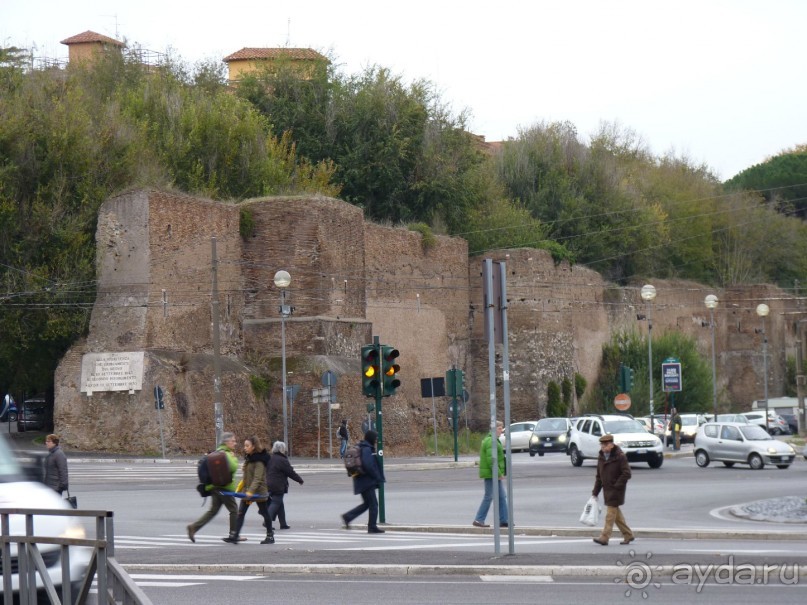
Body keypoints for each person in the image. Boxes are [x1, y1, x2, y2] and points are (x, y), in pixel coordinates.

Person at [187, 432, 239, 544]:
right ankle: (234, 534)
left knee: (213, 511)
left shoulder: (218, 451)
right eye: (233, 441)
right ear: (226, 442)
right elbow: (233, 467)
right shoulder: (227, 454)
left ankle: (193, 527)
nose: (235, 443)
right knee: (234, 510)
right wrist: (235, 459)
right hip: (225, 487)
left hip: (214, 487)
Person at [226, 436, 271, 544]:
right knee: (240, 513)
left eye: (247, 446)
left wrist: (251, 492)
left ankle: (270, 536)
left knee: (264, 513)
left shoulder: (259, 461)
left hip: (259, 492)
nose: (245, 448)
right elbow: (247, 478)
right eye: (244, 445)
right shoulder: (249, 459)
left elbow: (258, 479)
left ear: (254, 447)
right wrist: (241, 489)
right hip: (248, 491)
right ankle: (235, 536)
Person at [592, 433, 634, 546]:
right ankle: (628, 535)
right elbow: (599, 477)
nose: (603, 447)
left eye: (605, 445)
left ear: (611, 445)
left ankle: (604, 537)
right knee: (617, 516)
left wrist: (617, 485)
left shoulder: (620, 456)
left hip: (616, 491)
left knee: (610, 515)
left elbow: (627, 473)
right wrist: (595, 492)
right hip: (607, 491)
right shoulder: (601, 457)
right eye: (602, 445)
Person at [341, 429, 386, 533]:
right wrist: (377, 477)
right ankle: (372, 527)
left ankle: (348, 517)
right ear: (371, 438)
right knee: (373, 504)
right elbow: (368, 465)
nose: (376, 440)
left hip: (361, 481)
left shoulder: (363, 446)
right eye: (375, 438)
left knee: (367, 504)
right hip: (367, 482)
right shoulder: (366, 449)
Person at [264, 441, 304, 544]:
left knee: (279, 504)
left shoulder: (271, 458)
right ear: (282, 449)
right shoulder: (282, 460)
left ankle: (283, 524)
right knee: (276, 502)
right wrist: (299, 480)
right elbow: (290, 472)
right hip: (278, 484)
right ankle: (266, 521)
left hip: (269, 483)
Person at [472, 420, 508, 528]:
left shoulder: (494, 441)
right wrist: (499, 473)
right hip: (490, 474)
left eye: (502, 428)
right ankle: (479, 519)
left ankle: (504, 520)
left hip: (493, 473)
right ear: (494, 429)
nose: (501, 431)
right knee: (489, 496)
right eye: (499, 428)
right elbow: (491, 460)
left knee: (501, 496)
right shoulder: (490, 442)